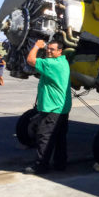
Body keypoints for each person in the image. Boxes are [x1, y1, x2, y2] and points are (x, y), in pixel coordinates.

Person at [24, 39, 72, 174]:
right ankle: (60, 163)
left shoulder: (52, 64)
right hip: (62, 108)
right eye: (48, 48)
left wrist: (36, 46)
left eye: (52, 49)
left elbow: (30, 60)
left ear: (60, 51)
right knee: (60, 137)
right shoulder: (63, 61)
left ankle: (41, 165)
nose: (48, 51)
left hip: (52, 108)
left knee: (44, 137)